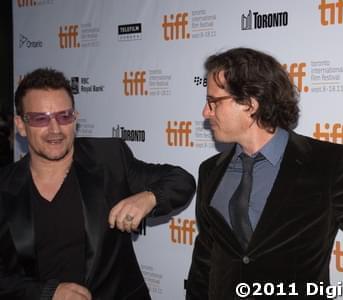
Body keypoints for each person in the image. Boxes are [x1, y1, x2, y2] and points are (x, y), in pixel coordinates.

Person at [0, 68, 196, 300]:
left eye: (64, 116)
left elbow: (181, 180)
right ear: (21, 125)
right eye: (40, 119)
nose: (54, 129)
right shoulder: (4, 186)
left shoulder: (108, 158)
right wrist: (47, 293)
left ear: (75, 118)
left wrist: (149, 197)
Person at [186, 47, 343, 299]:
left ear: (250, 103)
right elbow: (204, 262)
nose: (206, 112)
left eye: (213, 102)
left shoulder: (328, 163)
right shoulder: (210, 171)